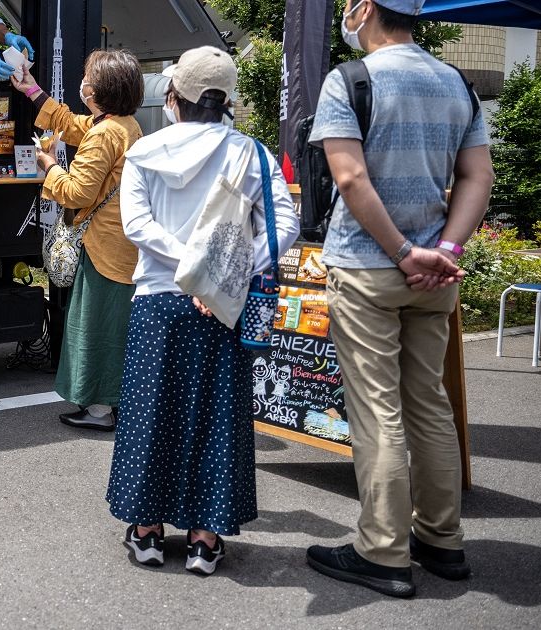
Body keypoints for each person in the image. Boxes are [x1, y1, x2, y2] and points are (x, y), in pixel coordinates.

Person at [304, 0, 493, 598]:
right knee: (429, 405)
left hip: (369, 267)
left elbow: (350, 178)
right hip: (434, 276)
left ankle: (381, 551)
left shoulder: (350, 80)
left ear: (363, 10)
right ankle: (441, 540)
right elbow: (477, 175)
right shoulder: (455, 80)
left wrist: (403, 253)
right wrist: (446, 250)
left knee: (376, 410)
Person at [109, 46, 298, 574]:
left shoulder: (144, 153)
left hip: (156, 301)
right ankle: (204, 540)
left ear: (173, 98)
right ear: (226, 100)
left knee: (150, 415)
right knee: (216, 418)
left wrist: (190, 263)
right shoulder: (252, 154)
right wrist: (222, 272)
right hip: (223, 305)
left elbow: (137, 228)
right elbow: (285, 228)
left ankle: (146, 533)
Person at [11, 50, 144, 431]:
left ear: (98, 88)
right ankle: (113, 404)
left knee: (96, 326)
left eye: (87, 76)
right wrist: (32, 89)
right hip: (122, 244)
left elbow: (78, 193)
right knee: (112, 325)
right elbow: (69, 124)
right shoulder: (123, 124)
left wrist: (47, 165)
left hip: (103, 245)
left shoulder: (104, 133)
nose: (82, 81)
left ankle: (100, 410)